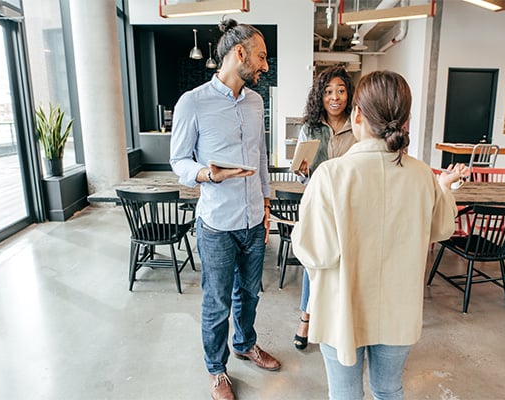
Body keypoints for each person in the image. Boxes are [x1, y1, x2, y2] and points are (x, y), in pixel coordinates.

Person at [291, 70, 468, 400]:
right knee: (388, 390)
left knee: (345, 394)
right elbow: (442, 228)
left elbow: (317, 251)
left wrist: (298, 230)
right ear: (404, 119)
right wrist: (444, 188)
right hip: (397, 311)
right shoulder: (420, 174)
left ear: (357, 113)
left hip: (342, 307)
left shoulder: (331, 175)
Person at [170, 18, 280, 400]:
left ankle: (245, 343)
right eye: (261, 57)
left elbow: (262, 160)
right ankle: (216, 370)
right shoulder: (193, 102)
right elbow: (179, 160)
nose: (265, 66)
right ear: (239, 53)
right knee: (216, 302)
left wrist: (266, 209)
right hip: (216, 224)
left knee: (250, 293)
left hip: (252, 220)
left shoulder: (255, 102)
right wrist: (206, 174)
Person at [292, 65, 356, 351]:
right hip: (318, 205)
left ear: (349, 94)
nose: (335, 97)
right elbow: (304, 173)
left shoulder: (359, 125)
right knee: (313, 262)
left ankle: (343, 319)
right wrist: (303, 171)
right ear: (320, 95)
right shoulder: (311, 127)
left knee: (346, 264)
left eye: (341, 91)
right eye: (329, 91)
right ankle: (306, 317)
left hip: (350, 206)